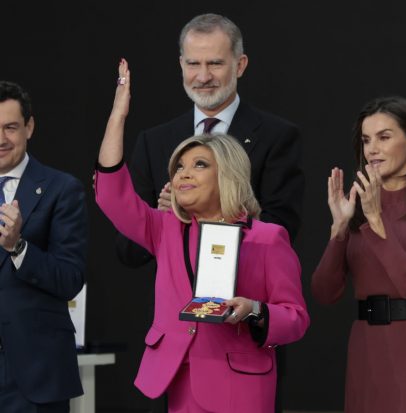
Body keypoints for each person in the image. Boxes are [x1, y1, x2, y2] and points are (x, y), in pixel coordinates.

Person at [96, 60, 309, 413]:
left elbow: (296, 318)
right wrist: (118, 115)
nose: (183, 174)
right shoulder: (165, 230)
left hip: (241, 388)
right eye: (178, 166)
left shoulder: (268, 239)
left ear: (228, 174)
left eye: (199, 165)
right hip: (178, 384)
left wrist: (254, 310)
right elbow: (111, 196)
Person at [117, 12, 303, 268]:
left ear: (240, 64)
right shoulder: (154, 142)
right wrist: (159, 217)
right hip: (175, 303)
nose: (203, 77)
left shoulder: (277, 136)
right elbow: (128, 252)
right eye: (194, 64)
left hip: (245, 298)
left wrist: (196, 210)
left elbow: (281, 233)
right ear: (181, 64)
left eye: (215, 63)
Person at [311, 96, 406, 413]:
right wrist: (339, 229)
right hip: (365, 348)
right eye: (366, 140)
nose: (372, 149)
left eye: (384, 137)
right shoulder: (357, 205)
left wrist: (376, 220)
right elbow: (324, 292)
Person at [0, 81, 88, 411]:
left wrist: (18, 248)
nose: (0, 140)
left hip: (34, 373)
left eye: (10, 127)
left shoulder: (62, 189)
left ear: (29, 127)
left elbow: (69, 278)